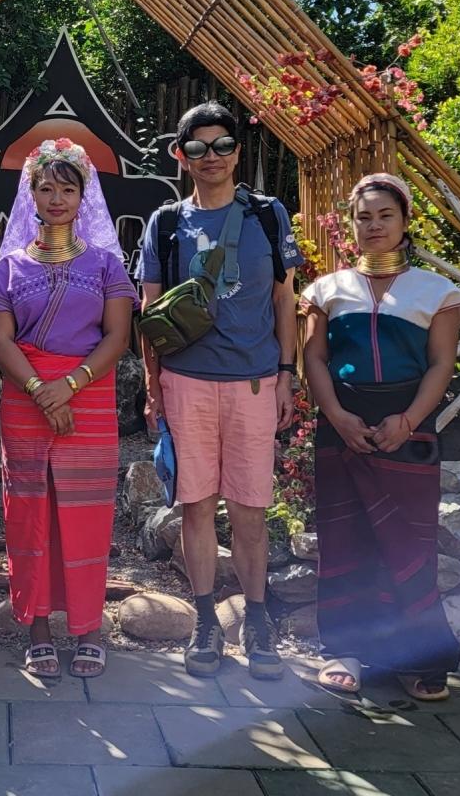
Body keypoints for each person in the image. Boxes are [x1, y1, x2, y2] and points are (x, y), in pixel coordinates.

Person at [138, 102, 303, 680]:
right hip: (187, 382)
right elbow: (149, 314)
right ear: (180, 156)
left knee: (252, 509)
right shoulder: (166, 223)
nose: (211, 156)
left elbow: (285, 300)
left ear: (237, 152)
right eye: (198, 147)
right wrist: (154, 387)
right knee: (198, 505)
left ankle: (257, 623)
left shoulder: (267, 215)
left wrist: (287, 374)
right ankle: (206, 621)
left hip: (254, 382)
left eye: (223, 145)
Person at [302, 172, 460, 700]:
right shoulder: (327, 291)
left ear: (404, 221)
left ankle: (416, 655)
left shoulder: (436, 292)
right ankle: (344, 650)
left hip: (409, 428)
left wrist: (410, 419)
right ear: (350, 225)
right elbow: (314, 358)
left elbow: (442, 363)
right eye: (364, 217)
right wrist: (336, 415)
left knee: (406, 541)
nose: (374, 225)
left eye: (385, 215)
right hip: (342, 426)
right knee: (344, 539)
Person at [0, 138, 137, 679]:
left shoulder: (106, 265)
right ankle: (39, 630)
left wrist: (68, 385)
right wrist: (39, 388)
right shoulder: (8, 268)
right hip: (25, 398)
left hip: (88, 395)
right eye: (45, 188)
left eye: (67, 190)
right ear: (30, 195)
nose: (55, 199)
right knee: (30, 512)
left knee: (87, 511)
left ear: (82, 197)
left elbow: (118, 337)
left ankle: (88, 629)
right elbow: (0, 340)